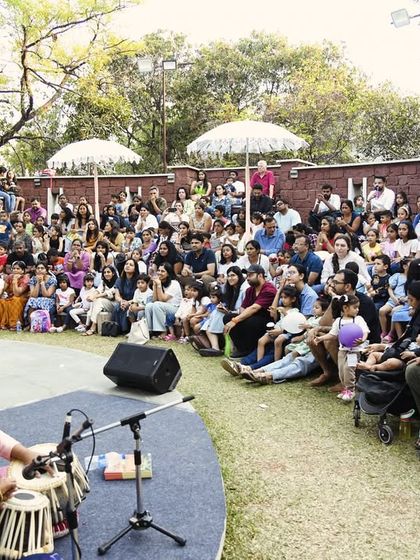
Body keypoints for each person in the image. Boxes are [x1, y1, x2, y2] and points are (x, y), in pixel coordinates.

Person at [307, 268, 381, 389]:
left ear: (347, 286)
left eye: (336, 283)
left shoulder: (363, 302)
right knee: (313, 335)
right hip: (344, 335)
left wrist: (325, 331)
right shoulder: (339, 300)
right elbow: (328, 324)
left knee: (328, 340)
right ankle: (328, 372)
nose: (331, 285)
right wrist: (333, 299)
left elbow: (354, 331)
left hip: (363, 340)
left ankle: (347, 379)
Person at [314, 294, 369, 402]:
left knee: (349, 370)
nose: (357, 310)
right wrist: (321, 338)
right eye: (355, 307)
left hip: (354, 351)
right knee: (342, 371)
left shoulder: (358, 319)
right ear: (345, 308)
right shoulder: (338, 321)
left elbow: (365, 331)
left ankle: (351, 390)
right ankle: (345, 389)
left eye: (358, 307)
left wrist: (362, 339)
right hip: (342, 350)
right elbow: (332, 334)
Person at [222, 264, 277, 357]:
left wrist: (235, 321)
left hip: (267, 321)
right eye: (247, 275)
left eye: (250, 275)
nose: (247, 278)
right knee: (228, 317)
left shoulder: (269, 289)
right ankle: (242, 349)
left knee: (247, 321)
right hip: (253, 318)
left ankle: (251, 349)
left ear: (260, 275)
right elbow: (243, 308)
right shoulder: (250, 290)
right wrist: (236, 320)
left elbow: (254, 308)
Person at [145, 262, 183, 338]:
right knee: (149, 305)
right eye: (158, 270)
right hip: (163, 307)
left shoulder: (174, 283)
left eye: (163, 271)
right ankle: (149, 331)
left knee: (157, 305)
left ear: (168, 273)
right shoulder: (160, 283)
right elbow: (155, 300)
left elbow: (163, 299)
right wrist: (155, 286)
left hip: (175, 308)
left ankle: (163, 331)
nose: (159, 273)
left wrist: (158, 285)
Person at [83, 266, 118, 336]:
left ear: (113, 273)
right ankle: (90, 325)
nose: (106, 274)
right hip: (105, 303)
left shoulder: (117, 281)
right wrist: (91, 296)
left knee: (98, 300)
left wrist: (95, 296)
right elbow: (98, 290)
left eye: (108, 272)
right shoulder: (103, 282)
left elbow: (109, 293)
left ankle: (92, 326)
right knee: (95, 300)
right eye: (104, 272)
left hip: (114, 305)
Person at [0, 260, 30, 330]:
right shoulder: (10, 276)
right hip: (10, 297)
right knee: (2, 301)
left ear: (23, 271)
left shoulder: (25, 278)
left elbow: (17, 293)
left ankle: (14, 324)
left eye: (18, 269)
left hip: (22, 298)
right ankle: (3, 324)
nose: (15, 270)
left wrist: (15, 281)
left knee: (15, 300)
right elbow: (4, 289)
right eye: (14, 268)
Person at [112, 258, 139, 334]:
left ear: (135, 268)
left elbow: (138, 296)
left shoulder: (138, 280)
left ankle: (126, 330)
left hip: (135, 301)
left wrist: (128, 302)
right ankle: (117, 329)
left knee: (128, 308)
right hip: (123, 301)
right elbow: (117, 296)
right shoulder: (119, 280)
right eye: (126, 264)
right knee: (117, 307)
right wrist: (122, 301)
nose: (128, 266)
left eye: (131, 265)